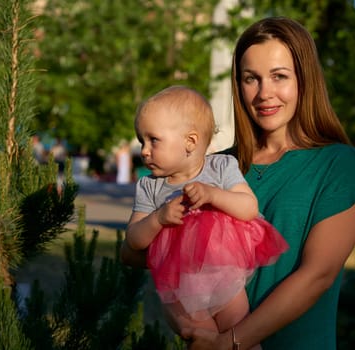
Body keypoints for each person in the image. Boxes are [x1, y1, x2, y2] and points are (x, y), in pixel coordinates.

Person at [122, 16, 355, 349]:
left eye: (279, 76)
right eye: (251, 79)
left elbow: (318, 275)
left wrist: (229, 342)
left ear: (305, 80)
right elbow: (132, 251)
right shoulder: (214, 167)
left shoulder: (340, 165)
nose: (264, 93)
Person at [123, 85, 288, 347]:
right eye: (142, 140)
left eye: (153, 140)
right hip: (179, 288)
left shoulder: (220, 168)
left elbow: (248, 207)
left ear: (190, 142)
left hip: (225, 279)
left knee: (239, 333)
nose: (144, 150)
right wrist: (158, 219)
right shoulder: (150, 186)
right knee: (199, 339)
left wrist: (213, 195)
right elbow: (133, 239)